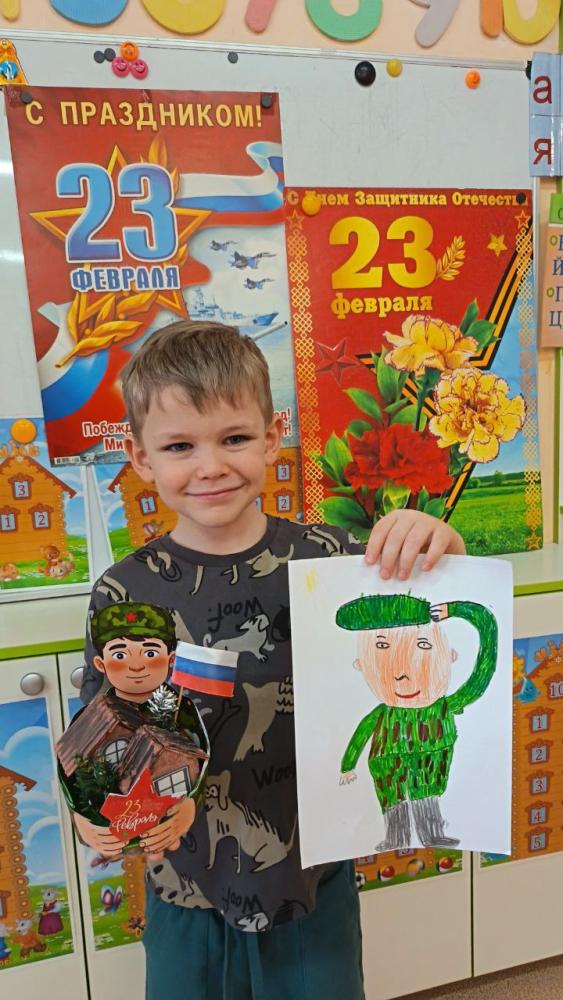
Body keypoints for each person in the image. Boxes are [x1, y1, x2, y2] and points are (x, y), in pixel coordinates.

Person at [77, 320, 465, 1000]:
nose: (209, 466)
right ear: (140, 458)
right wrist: (93, 805)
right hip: (184, 887)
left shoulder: (339, 560)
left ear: (272, 435)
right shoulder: (124, 589)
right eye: (179, 446)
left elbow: (439, 618)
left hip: (311, 880)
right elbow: (102, 732)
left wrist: (440, 543)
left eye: (233, 438)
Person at [338, 594, 497, 851]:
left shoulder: (443, 707)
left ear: (450, 655)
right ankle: (396, 838)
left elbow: (483, 668)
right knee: (394, 800)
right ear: (361, 664)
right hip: (388, 767)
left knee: (427, 795)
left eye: (423, 645)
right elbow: (362, 733)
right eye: (382, 647)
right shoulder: (383, 713)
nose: (402, 672)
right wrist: (347, 765)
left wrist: (456, 610)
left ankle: (431, 834)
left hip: (432, 765)